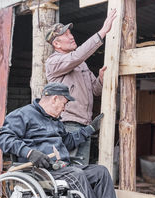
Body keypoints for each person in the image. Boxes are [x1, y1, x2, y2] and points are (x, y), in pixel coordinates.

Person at [0, 82, 135, 198]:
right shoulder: (23, 115)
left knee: (100, 172)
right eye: (64, 103)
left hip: (61, 169)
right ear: (55, 99)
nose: (64, 108)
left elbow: (68, 141)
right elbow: (4, 138)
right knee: (76, 174)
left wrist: (90, 129)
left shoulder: (55, 121)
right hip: (40, 172)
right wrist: (29, 152)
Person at [45, 9, 117, 165]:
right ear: (56, 44)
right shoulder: (53, 62)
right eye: (65, 35)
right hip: (68, 125)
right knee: (68, 170)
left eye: (70, 33)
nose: (71, 36)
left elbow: (95, 91)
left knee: (81, 169)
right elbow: (77, 56)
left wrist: (101, 79)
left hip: (85, 125)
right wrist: (103, 31)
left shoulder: (80, 64)